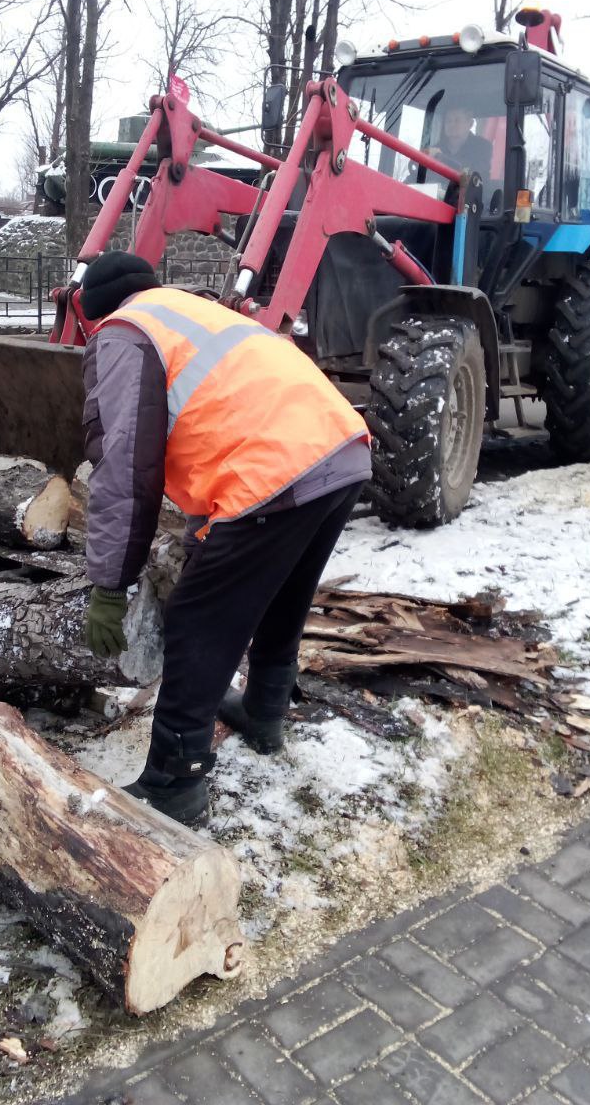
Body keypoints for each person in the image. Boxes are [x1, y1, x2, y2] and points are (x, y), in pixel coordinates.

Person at [78, 251, 372, 825]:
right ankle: (264, 712)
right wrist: (200, 542)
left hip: (274, 471)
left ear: (93, 312)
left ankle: (175, 780)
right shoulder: (194, 313)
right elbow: (220, 423)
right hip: (340, 448)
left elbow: (125, 466)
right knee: (282, 594)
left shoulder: (123, 333)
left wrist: (110, 586)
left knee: (197, 619)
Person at [429, 105, 492, 177]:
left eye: (457, 120)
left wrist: (443, 159)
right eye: (448, 120)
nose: (452, 124)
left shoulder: (482, 147)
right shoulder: (436, 148)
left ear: (470, 124)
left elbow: (471, 176)